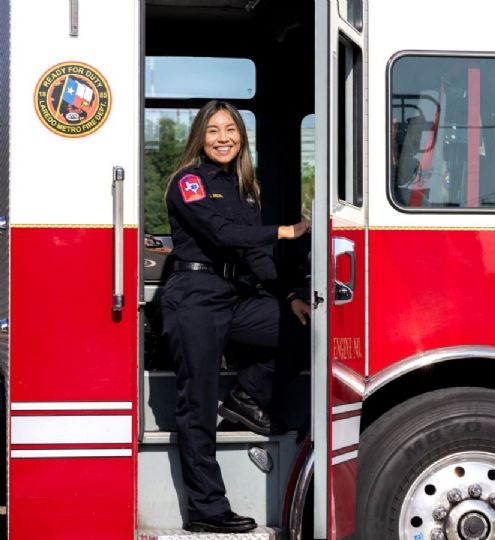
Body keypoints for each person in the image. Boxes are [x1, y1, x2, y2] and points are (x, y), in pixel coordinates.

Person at [161, 100, 311, 533]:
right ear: (200, 138)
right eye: (213, 130)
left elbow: (255, 255)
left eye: (230, 129)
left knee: (305, 330)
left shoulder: (246, 189)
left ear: (242, 137)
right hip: (193, 298)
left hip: (234, 295)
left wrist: (288, 297)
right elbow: (222, 234)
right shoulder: (188, 182)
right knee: (198, 408)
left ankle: (247, 396)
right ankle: (209, 510)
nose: (223, 138)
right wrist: (284, 230)